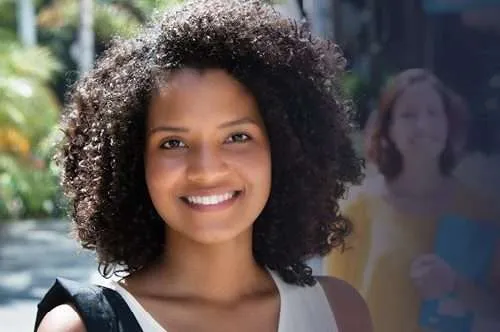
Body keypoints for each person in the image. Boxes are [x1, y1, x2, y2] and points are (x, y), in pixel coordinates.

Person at [34, 1, 371, 331]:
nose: (207, 170)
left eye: (237, 137)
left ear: (283, 151)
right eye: (173, 143)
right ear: (134, 162)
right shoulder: (78, 327)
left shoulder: (338, 312)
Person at [325, 68, 500, 332]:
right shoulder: (355, 210)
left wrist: (455, 286)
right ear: (389, 129)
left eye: (433, 113)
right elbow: (330, 311)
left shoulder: (482, 210)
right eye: (408, 115)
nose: (422, 125)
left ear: (448, 124)